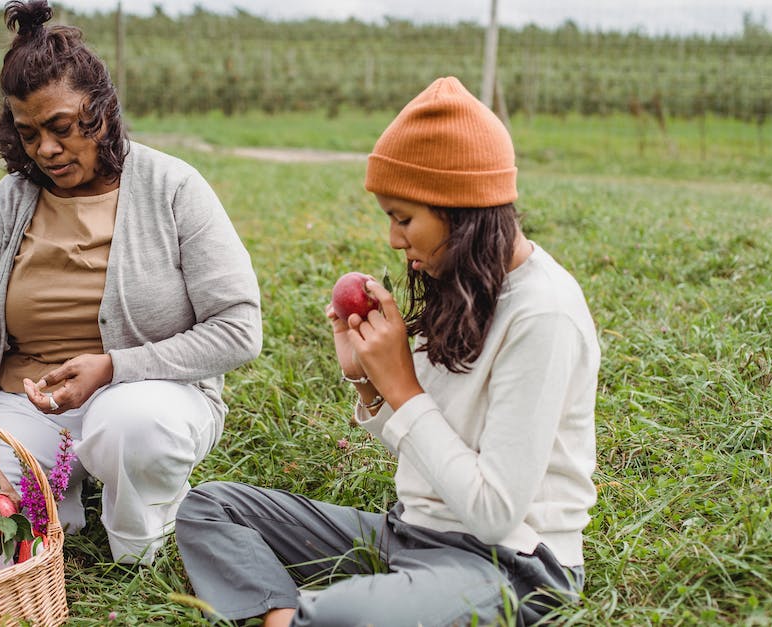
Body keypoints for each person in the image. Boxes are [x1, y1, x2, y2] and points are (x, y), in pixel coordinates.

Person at [174, 76, 600, 625]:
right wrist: (370, 385)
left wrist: (402, 385)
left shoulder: (544, 315)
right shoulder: (465, 282)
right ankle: (290, 616)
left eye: (404, 218)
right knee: (209, 507)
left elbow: (494, 513)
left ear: (461, 209)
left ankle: (299, 618)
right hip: (411, 535)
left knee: (343, 617)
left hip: (509, 566)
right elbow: (430, 445)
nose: (395, 240)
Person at [0, 0, 262, 566]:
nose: (45, 148)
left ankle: (139, 546)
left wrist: (114, 367)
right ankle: (55, 505)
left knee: (129, 425)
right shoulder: (5, 207)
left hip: (146, 394)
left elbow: (239, 329)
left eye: (62, 127)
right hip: (29, 404)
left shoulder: (173, 187)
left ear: (102, 112)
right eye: (29, 133)